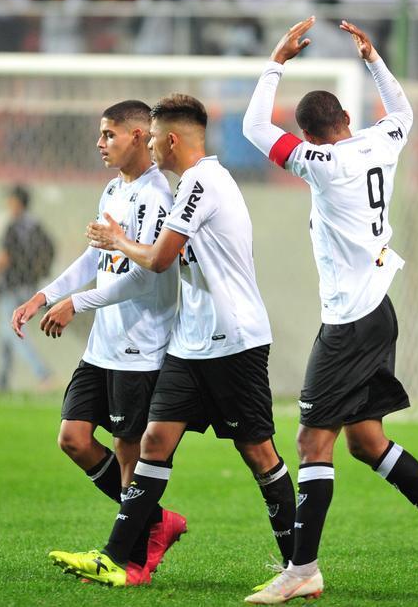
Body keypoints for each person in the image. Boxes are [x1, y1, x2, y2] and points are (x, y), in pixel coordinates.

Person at [240, 17, 418, 603]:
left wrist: (276, 59)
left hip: (351, 321)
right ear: (346, 121)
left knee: (309, 442)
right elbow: (403, 111)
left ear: (310, 136)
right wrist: (373, 58)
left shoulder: (320, 165)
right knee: (366, 441)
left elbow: (254, 125)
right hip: (380, 310)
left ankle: (302, 570)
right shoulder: (381, 141)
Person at [50, 94, 297, 587]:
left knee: (259, 454)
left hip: (235, 340)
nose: (153, 151)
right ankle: (120, 559)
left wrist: (117, 241)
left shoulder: (201, 183)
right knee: (153, 441)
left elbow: (160, 260)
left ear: (169, 139)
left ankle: (299, 565)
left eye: (156, 138)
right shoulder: (188, 183)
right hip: (191, 341)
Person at [10, 101, 186, 581]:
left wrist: (78, 305)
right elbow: (93, 259)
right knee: (73, 438)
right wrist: (45, 295)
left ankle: (130, 561)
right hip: (103, 346)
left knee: (130, 453)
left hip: (139, 345)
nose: (100, 143)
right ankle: (154, 523)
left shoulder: (156, 197)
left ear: (136, 136)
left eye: (108, 134)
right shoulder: (114, 188)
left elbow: (146, 277)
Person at [0, 185, 55, 392]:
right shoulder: (36, 227)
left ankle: (43, 373)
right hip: (30, 287)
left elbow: (4, 258)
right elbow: (50, 251)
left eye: (10, 199)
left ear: (17, 202)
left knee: (12, 331)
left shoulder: (14, 226)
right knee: (5, 336)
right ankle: (1, 383)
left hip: (11, 287)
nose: (8, 203)